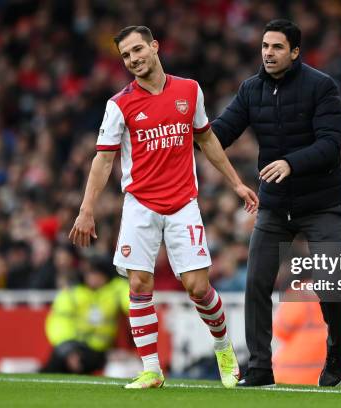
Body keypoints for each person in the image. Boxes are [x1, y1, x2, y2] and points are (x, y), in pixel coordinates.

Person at [69, 25, 259, 389]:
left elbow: (206, 138)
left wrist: (235, 182)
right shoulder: (119, 104)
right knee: (139, 283)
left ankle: (222, 347)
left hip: (183, 203)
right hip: (139, 204)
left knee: (197, 287)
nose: (134, 59)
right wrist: (86, 209)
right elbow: (103, 161)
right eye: (126, 56)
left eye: (138, 50)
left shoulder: (189, 90)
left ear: (154, 47)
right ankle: (152, 368)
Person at [211, 19, 341, 387]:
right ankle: (259, 367)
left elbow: (330, 144)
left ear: (295, 52)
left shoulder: (322, 87)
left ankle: (337, 347)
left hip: (320, 203)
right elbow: (220, 133)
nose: (268, 53)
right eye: (264, 46)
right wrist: (188, 131)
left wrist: (291, 162)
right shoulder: (250, 90)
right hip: (274, 204)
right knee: (256, 282)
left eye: (276, 47)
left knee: (330, 280)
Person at [42, 257, 130, 374]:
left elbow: (130, 303)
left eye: (96, 273)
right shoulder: (73, 292)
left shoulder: (116, 289)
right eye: (89, 273)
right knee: (58, 357)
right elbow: (59, 322)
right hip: (73, 344)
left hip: (99, 349)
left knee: (79, 361)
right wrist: (69, 350)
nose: (92, 277)